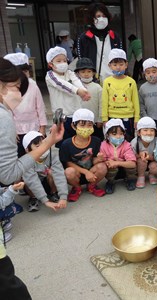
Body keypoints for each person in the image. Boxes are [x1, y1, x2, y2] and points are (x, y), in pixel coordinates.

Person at [0, 57, 64, 300]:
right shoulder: (3, 116)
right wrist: (46, 143)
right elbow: (8, 174)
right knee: (8, 283)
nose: (19, 94)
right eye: (16, 86)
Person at [4, 53, 47, 157]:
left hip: (35, 127)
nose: (24, 74)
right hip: (18, 131)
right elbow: (7, 111)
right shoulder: (8, 88)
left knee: (39, 154)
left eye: (26, 71)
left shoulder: (33, 85)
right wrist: (12, 130)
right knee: (21, 155)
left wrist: (42, 127)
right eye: (20, 72)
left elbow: (40, 107)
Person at [45, 46, 90, 147]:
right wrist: (77, 91)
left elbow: (77, 81)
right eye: (59, 61)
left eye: (64, 60)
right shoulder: (50, 76)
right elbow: (61, 84)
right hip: (62, 117)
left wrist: (84, 91)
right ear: (51, 64)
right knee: (64, 143)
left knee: (77, 142)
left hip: (75, 114)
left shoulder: (70, 73)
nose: (63, 63)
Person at [60, 108, 107, 202]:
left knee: (102, 166)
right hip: (76, 174)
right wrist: (86, 172)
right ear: (73, 126)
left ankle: (92, 186)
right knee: (68, 172)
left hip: (92, 175)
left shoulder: (96, 141)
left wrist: (99, 159)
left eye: (89, 125)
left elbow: (93, 160)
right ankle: (77, 188)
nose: (86, 128)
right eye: (82, 125)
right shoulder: (66, 144)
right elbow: (68, 164)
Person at [22, 131, 68, 212]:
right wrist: (45, 201)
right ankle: (33, 198)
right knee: (25, 180)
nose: (42, 148)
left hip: (48, 182)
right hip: (34, 186)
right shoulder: (26, 161)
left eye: (43, 144)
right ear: (27, 150)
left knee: (52, 172)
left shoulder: (52, 154)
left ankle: (53, 193)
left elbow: (59, 174)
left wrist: (63, 197)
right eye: (37, 146)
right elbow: (33, 181)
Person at [76, 1, 122, 83]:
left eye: (104, 16)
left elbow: (121, 59)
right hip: (94, 81)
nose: (102, 19)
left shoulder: (114, 36)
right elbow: (82, 62)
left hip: (114, 79)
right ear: (92, 18)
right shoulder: (84, 38)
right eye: (98, 16)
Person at [101, 49, 140, 141]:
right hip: (112, 116)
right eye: (115, 65)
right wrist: (104, 118)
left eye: (121, 64)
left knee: (128, 140)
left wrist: (137, 118)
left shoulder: (131, 82)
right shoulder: (107, 82)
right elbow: (104, 101)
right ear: (109, 66)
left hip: (128, 116)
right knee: (113, 140)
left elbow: (135, 101)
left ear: (126, 65)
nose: (118, 67)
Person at [98, 119, 137, 194]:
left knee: (131, 167)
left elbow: (132, 163)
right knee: (110, 166)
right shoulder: (103, 145)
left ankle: (130, 179)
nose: (118, 136)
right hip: (113, 169)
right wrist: (103, 159)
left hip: (124, 167)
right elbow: (103, 161)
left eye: (121, 133)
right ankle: (110, 182)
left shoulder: (126, 144)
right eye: (114, 134)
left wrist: (117, 163)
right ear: (107, 135)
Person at [75, 57, 104, 139]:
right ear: (77, 73)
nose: (86, 74)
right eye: (83, 72)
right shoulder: (75, 87)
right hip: (79, 122)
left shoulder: (98, 87)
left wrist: (100, 119)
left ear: (93, 73)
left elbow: (102, 104)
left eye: (89, 71)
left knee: (96, 140)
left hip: (94, 122)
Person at [131, 117, 157, 188]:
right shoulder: (135, 142)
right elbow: (131, 156)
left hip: (153, 160)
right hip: (140, 162)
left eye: (152, 130)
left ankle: (152, 174)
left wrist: (149, 156)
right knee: (141, 161)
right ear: (139, 133)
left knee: (155, 167)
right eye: (145, 130)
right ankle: (141, 176)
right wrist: (140, 155)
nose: (149, 133)